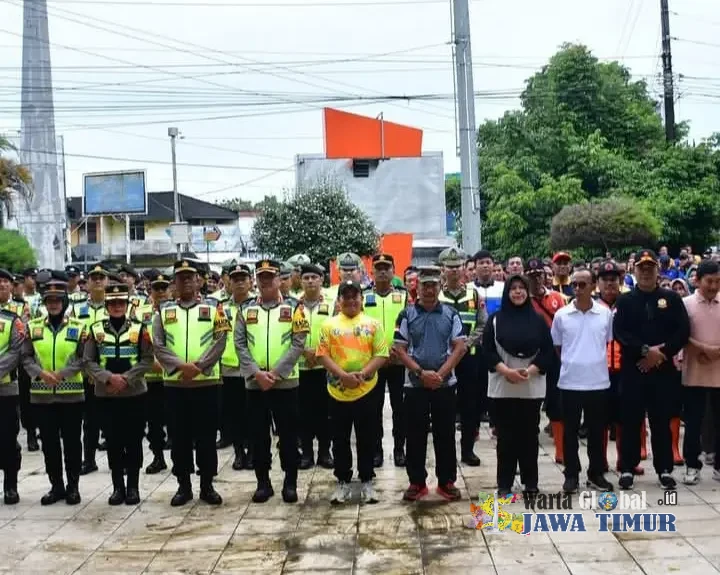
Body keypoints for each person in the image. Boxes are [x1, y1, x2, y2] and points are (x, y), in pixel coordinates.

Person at [153, 259, 229, 506]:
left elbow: (220, 340)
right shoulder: (163, 310)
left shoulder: (215, 307)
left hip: (206, 383)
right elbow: (158, 345)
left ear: (199, 281)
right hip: (175, 385)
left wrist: (199, 366)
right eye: (181, 277)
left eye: (190, 277)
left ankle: (207, 485)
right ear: (174, 282)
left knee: (207, 437)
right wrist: (180, 366)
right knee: (179, 438)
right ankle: (183, 486)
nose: (186, 281)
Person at [613, 249, 690, 490]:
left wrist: (661, 353)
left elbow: (683, 331)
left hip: (662, 369)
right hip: (634, 368)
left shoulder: (671, 298)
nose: (646, 272)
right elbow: (620, 333)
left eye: (650, 268)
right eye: (641, 268)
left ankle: (664, 469)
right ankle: (627, 468)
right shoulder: (625, 300)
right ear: (634, 271)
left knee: (661, 421)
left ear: (658, 270)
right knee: (631, 420)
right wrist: (645, 351)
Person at [234, 259, 308, 504]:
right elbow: (240, 344)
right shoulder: (245, 309)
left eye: (270, 277)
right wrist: (256, 373)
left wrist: (275, 374)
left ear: (279, 279)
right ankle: (263, 482)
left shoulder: (295, 307)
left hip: (285, 383)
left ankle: (290, 482)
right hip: (255, 384)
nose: (265, 281)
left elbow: (298, 343)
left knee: (288, 435)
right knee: (258, 436)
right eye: (261, 277)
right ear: (256, 280)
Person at [394, 266, 466, 502]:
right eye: (425, 285)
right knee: (414, 434)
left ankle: (446, 482)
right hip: (415, 385)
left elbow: (459, 347)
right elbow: (399, 349)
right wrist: (421, 373)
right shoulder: (406, 315)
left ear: (440, 286)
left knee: (445, 434)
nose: (429, 290)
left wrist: (440, 375)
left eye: (433, 285)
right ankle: (417, 482)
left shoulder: (451, 314)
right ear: (417, 287)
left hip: (445, 385)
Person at [316, 279, 388, 504]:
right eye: (345, 296)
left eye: (354, 296)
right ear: (339, 300)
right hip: (337, 392)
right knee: (340, 439)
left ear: (361, 298)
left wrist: (362, 375)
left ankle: (367, 480)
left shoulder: (373, 324)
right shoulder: (329, 325)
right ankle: (343, 481)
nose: (350, 301)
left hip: (367, 390)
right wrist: (343, 376)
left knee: (367, 437)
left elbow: (381, 354)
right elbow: (322, 355)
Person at [482, 275, 554, 496]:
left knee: (529, 436)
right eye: (513, 288)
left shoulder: (538, 321)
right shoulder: (495, 320)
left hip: (531, 385)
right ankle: (504, 484)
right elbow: (488, 351)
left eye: (522, 288)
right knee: (505, 437)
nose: (518, 292)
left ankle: (530, 482)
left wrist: (528, 371)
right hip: (503, 386)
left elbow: (547, 351)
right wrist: (507, 372)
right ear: (507, 293)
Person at [84, 283, 153, 505]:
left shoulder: (140, 328)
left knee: (133, 440)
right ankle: (117, 487)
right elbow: (88, 361)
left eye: (120, 302)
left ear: (127, 304)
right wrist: (108, 378)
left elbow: (147, 359)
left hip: (134, 395)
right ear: (106, 306)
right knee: (113, 441)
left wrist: (126, 379)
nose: (117, 306)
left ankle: (133, 487)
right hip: (106, 395)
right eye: (112, 303)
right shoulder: (95, 329)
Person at [22, 271, 86, 505]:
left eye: (58, 300)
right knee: (49, 445)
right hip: (42, 396)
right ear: (45, 303)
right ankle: (56, 486)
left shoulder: (79, 327)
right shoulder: (33, 327)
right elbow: (26, 357)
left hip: (71, 396)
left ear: (64, 302)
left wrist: (62, 374)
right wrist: (41, 374)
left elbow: (84, 358)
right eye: (49, 300)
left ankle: (73, 486)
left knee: (72, 443)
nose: (53, 304)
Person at [551, 269, 614, 493]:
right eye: (574, 285)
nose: (577, 289)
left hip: (598, 382)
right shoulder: (562, 315)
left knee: (597, 431)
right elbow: (558, 347)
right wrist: (574, 361)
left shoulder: (605, 314)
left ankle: (596, 473)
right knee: (570, 432)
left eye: (582, 285)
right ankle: (571, 474)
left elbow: (607, 342)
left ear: (593, 286)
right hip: (570, 382)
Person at [438, 247, 486, 466]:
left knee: (470, 406)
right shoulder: (436, 295)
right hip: (444, 359)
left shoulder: (474, 294)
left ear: (465, 269)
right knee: (445, 406)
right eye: (450, 267)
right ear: (443, 270)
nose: (454, 271)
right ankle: (446, 451)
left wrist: (466, 344)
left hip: (469, 358)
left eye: (458, 266)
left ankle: (468, 450)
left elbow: (482, 324)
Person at [595, 261, 644, 476]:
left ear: (621, 281)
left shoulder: (629, 304)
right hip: (600, 371)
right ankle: (600, 461)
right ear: (597, 283)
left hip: (626, 369)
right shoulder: (592, 307)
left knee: (627, 418)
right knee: (601, 420)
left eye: (613, 279)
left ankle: (626, 461)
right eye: (605, 280)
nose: (609, 284)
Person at [363, 254, 408, 468]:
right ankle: (376, 451)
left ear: (393, 271)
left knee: (400, 409)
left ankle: (399, 449)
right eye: (378, 268)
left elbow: (410, 325)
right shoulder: (363, 296)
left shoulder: (404, 296)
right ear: (372, 271)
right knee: (373, 409)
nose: (382, 271)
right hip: (372, 363)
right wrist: (379, 352)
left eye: (386, 267)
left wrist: (397, 349)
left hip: (398, 361)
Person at [681, 260, 720, 484]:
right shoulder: (686, 305)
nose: (713, 286)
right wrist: (703, 350)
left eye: (717, 281)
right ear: (697, 280)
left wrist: (715, 352)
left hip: (719, 371)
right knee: (693, 422)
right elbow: (680, 335)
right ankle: (692, 465)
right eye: (709, 281)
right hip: (694, 372)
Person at [525, 258, 567, 463]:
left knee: (557, 400)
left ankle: (561, 449)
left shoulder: (558, 298)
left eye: (539, 275)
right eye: (532, 276)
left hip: (555, 356)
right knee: (531, 401)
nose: (536, 279)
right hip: (532, 357)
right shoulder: (523, 300)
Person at [72, 264, 109, 476]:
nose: (97, 281)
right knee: (89, 421)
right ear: (86, 283)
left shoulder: (115, 305)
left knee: (112, 420)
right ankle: (89, 459)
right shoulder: (77, 309)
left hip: (108, 373)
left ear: (107, 281)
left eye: (101, 277)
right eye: (93, 277)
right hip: (85, 374)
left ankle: (117, 459)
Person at [297, 263, 333, 470]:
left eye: (314, 277)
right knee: (303, 414)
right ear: (301, 281)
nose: (310, 281)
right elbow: (288, 334)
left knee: (325, 413)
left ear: (322, 280)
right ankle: (307, 453)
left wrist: (318, 353)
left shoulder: (332, 304)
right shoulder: (294, 305)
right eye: (306, 278)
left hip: (324, 368)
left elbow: (335, 333)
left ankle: (325, 452)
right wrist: (304, 351)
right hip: (300, 368)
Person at [219, 263, 254, 470]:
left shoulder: (257, 305)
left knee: (254, 414)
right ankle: (239, 452)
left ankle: (253, 452)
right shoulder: (221, 308)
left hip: (252, 369)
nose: (240, 283)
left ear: (250, 282)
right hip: (229, 368)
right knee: (233, 415)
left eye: (243, 279)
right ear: (229, 283)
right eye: (235, 279)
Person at [0, 269, 26, 504]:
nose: (1, 285)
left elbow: (16, 352)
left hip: (6, 390)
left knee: (8, 438)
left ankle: (10, 485)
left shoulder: (12, 319)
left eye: (4, 282)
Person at [142, 270, 171, 474]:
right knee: (154, 423)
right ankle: (158, 456)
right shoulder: (139, 313)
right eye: (156, 289)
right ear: (150, 291)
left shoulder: (178, 311)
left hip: (174, 376)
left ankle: (181, 459)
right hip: (151, 377)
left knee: (177, 422)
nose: (160, 292)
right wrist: (150, 361)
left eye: (164, 288)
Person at [472, 250, 503, 315]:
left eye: (488, 262)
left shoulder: (503, 287)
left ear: (493, 265)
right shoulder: (468, 288)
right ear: (475, 267)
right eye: (481, 263)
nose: (485, 265)